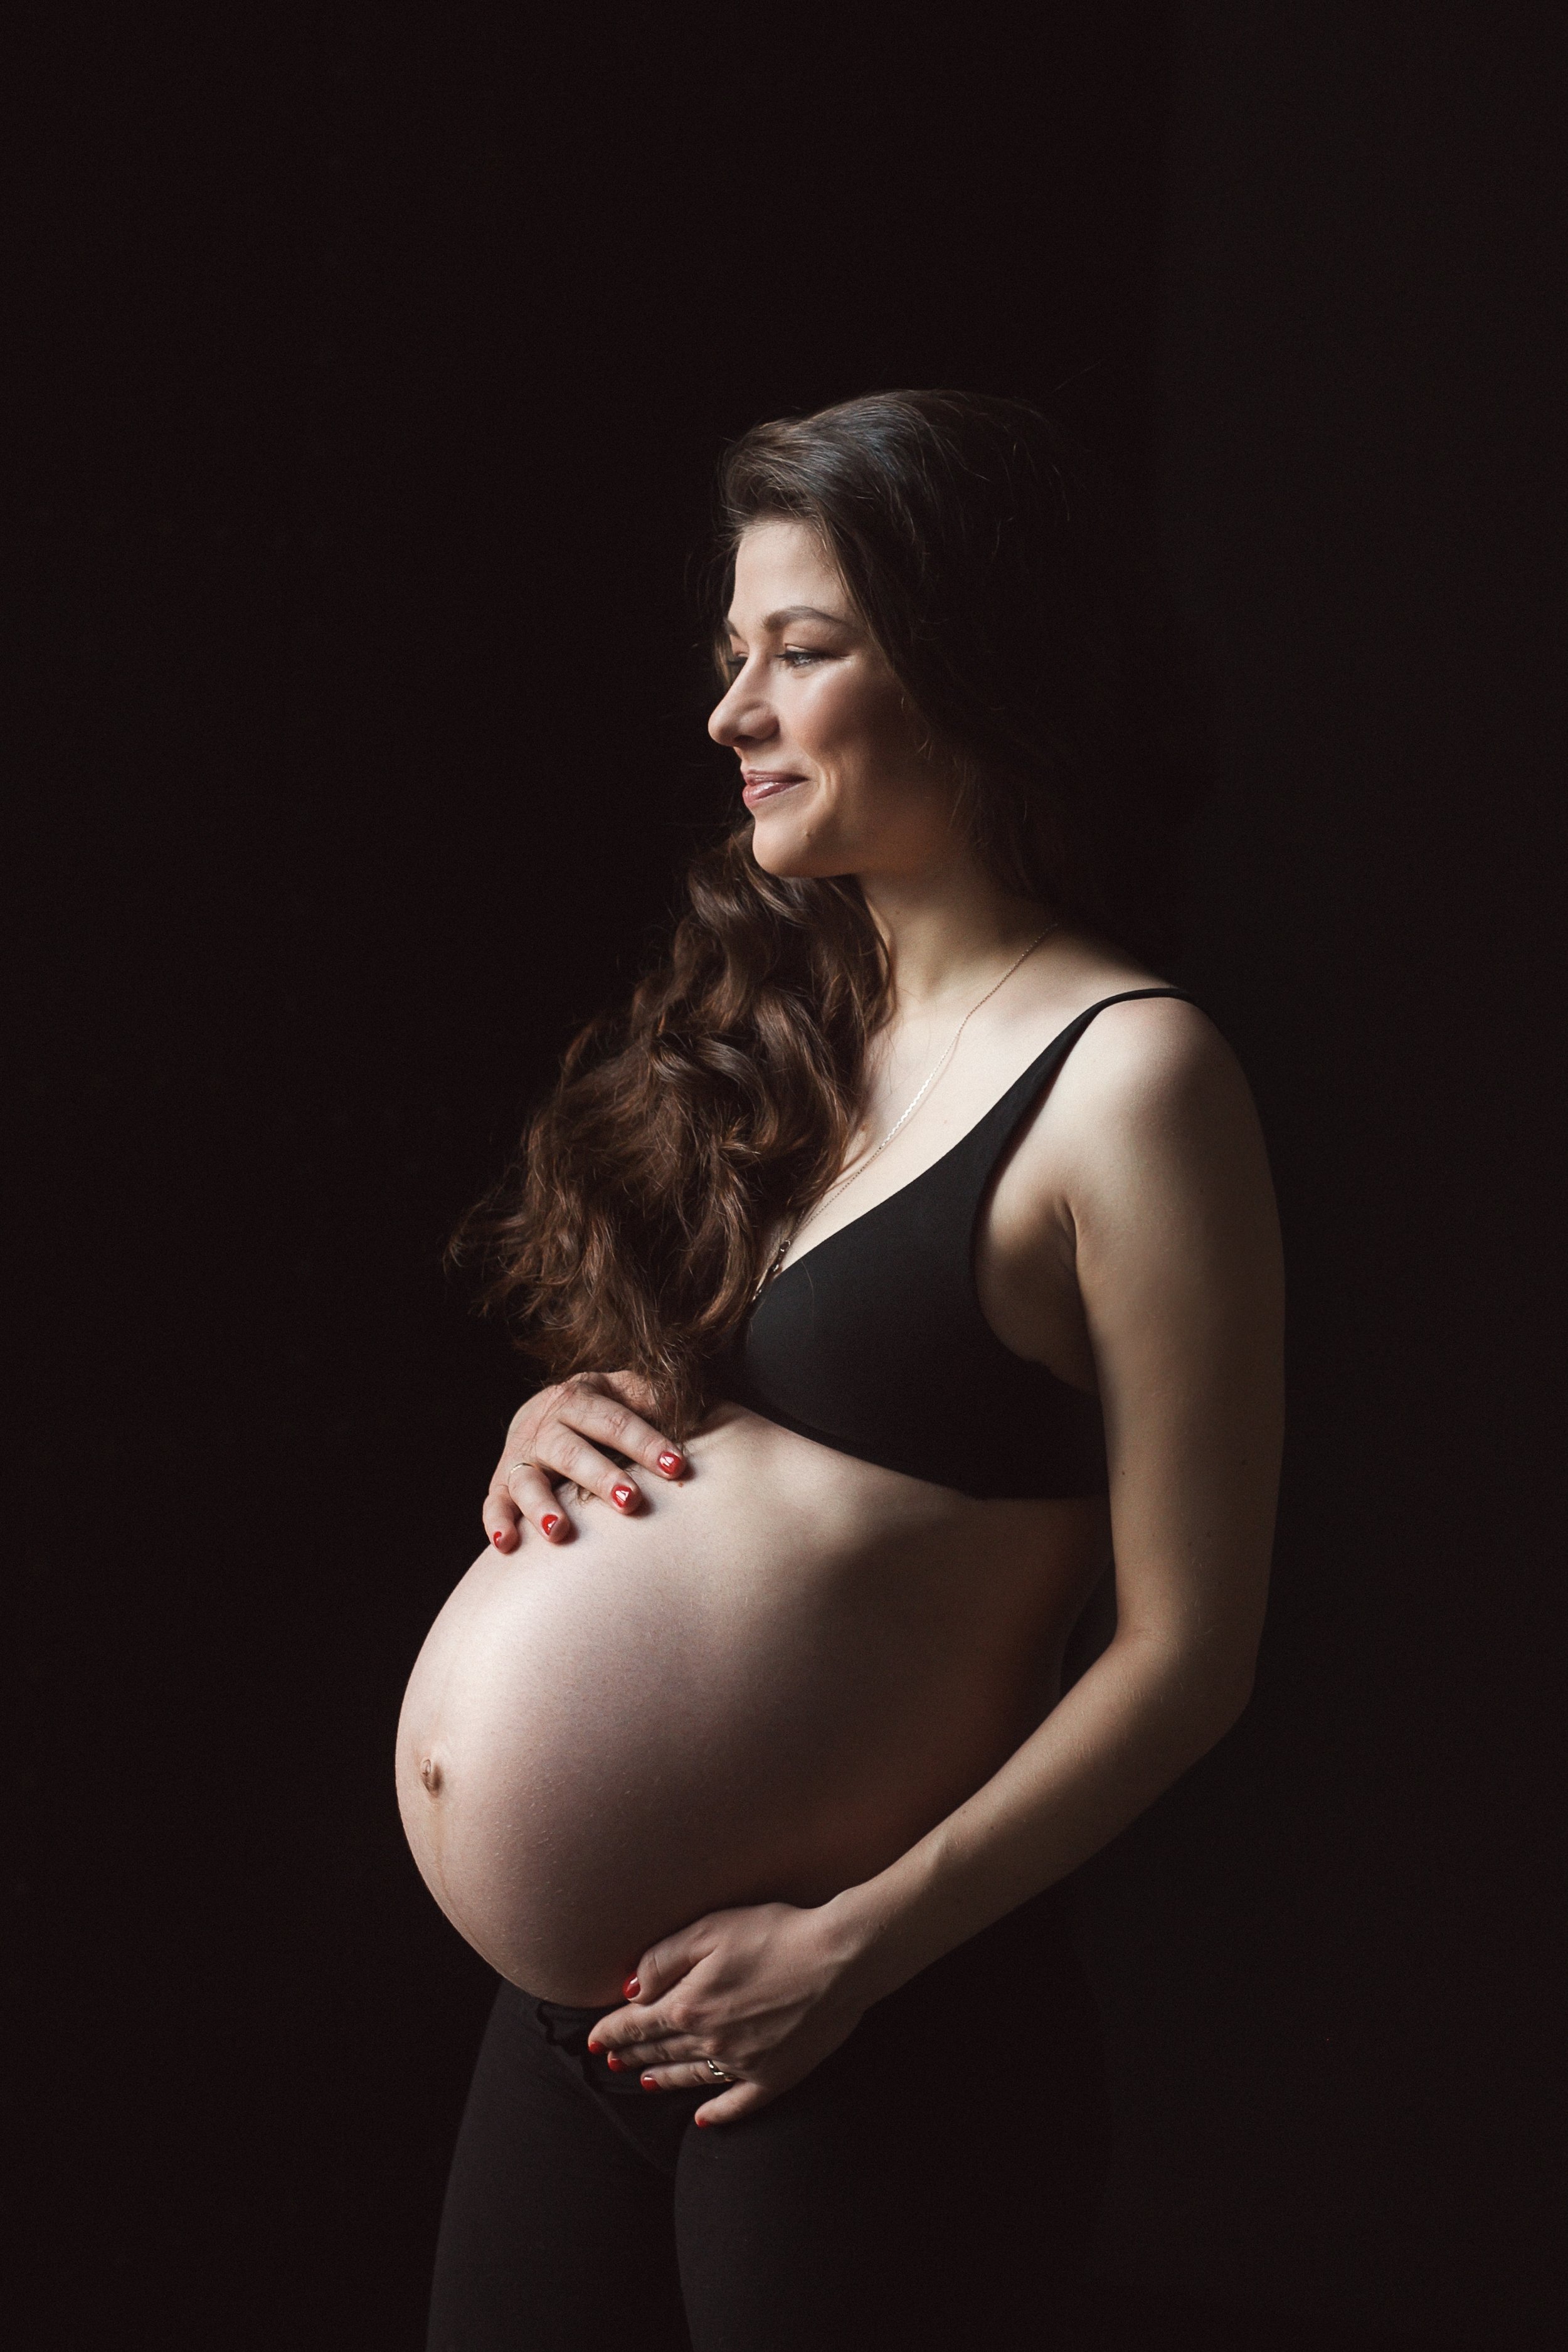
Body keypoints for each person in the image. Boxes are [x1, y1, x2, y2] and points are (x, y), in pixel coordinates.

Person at [398, 389, 1284, 2351]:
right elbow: (750, 1467)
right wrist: (564, 1421)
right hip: (572, 2032)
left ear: (979, 665)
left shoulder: (1132, 1077)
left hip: (860, 2028)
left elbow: (1187, 1656)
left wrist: (850, 1956)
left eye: (802, 653)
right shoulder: (793, 1026)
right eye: (732, 656)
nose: (735, 713)